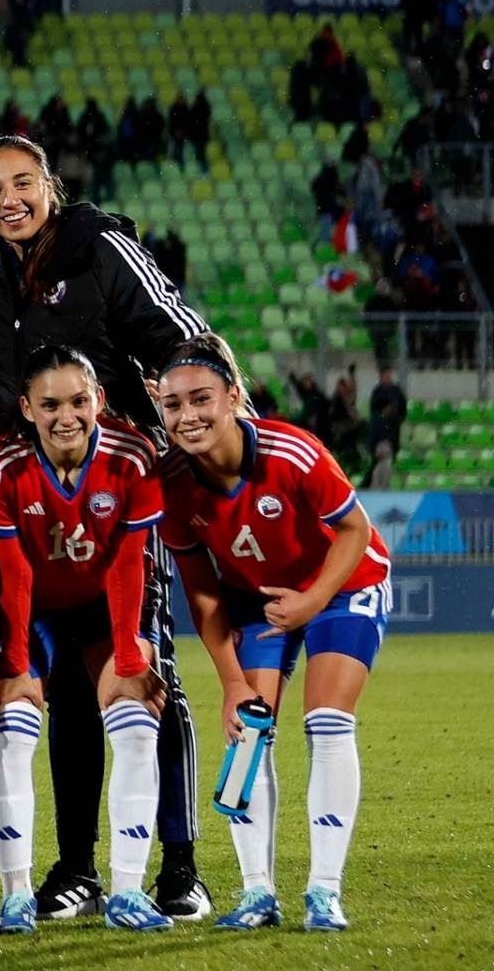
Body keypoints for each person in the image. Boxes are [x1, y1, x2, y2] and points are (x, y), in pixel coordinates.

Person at [0, 134, 211, 920]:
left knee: (146, 674)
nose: (10, 199)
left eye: (23, 183)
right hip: (28, 502)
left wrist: (207, 429)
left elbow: (183, 337)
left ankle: (180, 867)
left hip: (118, 491)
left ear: (51, 187)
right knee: (67, 692)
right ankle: (75, 867)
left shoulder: (101, 248)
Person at [156, 334, 388, 934]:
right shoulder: (173, 483)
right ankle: (257, 894)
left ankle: (324, 892)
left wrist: (311, 601)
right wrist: (231, 683)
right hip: (258, 601)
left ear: (233, 397)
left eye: (201, 399)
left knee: (327, 722)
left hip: (343, 585)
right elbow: (202, 594)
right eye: (173, 405)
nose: (188, 416)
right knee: (247, 735)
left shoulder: (293, 453)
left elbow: (356, 531)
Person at [0, 346, 177, 935]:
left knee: (137, 721)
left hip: (101, 606)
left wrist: (131, 653)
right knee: (13, 730)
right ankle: (14, 894)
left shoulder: (134, 454)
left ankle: (129, 892)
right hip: (29, 612)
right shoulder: (1, 464)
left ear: (100, 400)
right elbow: (12, 573)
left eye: (79, 401)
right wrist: (13, 661)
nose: (67, 416)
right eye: (50, 404)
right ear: (26, 408)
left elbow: (127, 563)